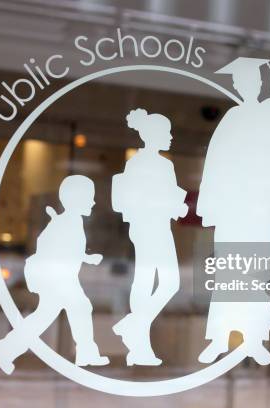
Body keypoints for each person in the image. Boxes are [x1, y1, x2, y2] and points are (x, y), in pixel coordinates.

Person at [197, 44, 270, 365]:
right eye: (240, 82)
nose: (244, 86)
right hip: (234, 207)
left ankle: (252, 338)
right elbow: (215, 163)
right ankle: (220, 337)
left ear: (261, 83)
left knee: (257, 272)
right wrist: (210, 204)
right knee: (229, 273)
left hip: (261, 207)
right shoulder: (233, 118)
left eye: (250, 81)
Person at [0, 175, 109, 374]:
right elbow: (55, 250)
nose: (93, 202)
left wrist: (86, 259)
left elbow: (67, 250)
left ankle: (7, 348)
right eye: (89, 197)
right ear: (75, 199)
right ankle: (86, 352)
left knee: (53, 315)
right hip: (59, 280)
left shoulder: (71, 221)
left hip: (62, 279)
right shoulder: (66, 222)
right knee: (75, 310)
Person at [111, 108, 188, 366]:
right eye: (166, 133)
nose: (171, 138)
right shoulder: (138, 163)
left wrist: (177, 205)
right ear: (153, 135)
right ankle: (139, 342)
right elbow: (143, 198)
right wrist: (166, 204)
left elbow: (167, 196)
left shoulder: (165, 164)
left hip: (159, 226)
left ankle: (134, 327)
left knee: (168, 282)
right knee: (146, 281)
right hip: (147, 227)